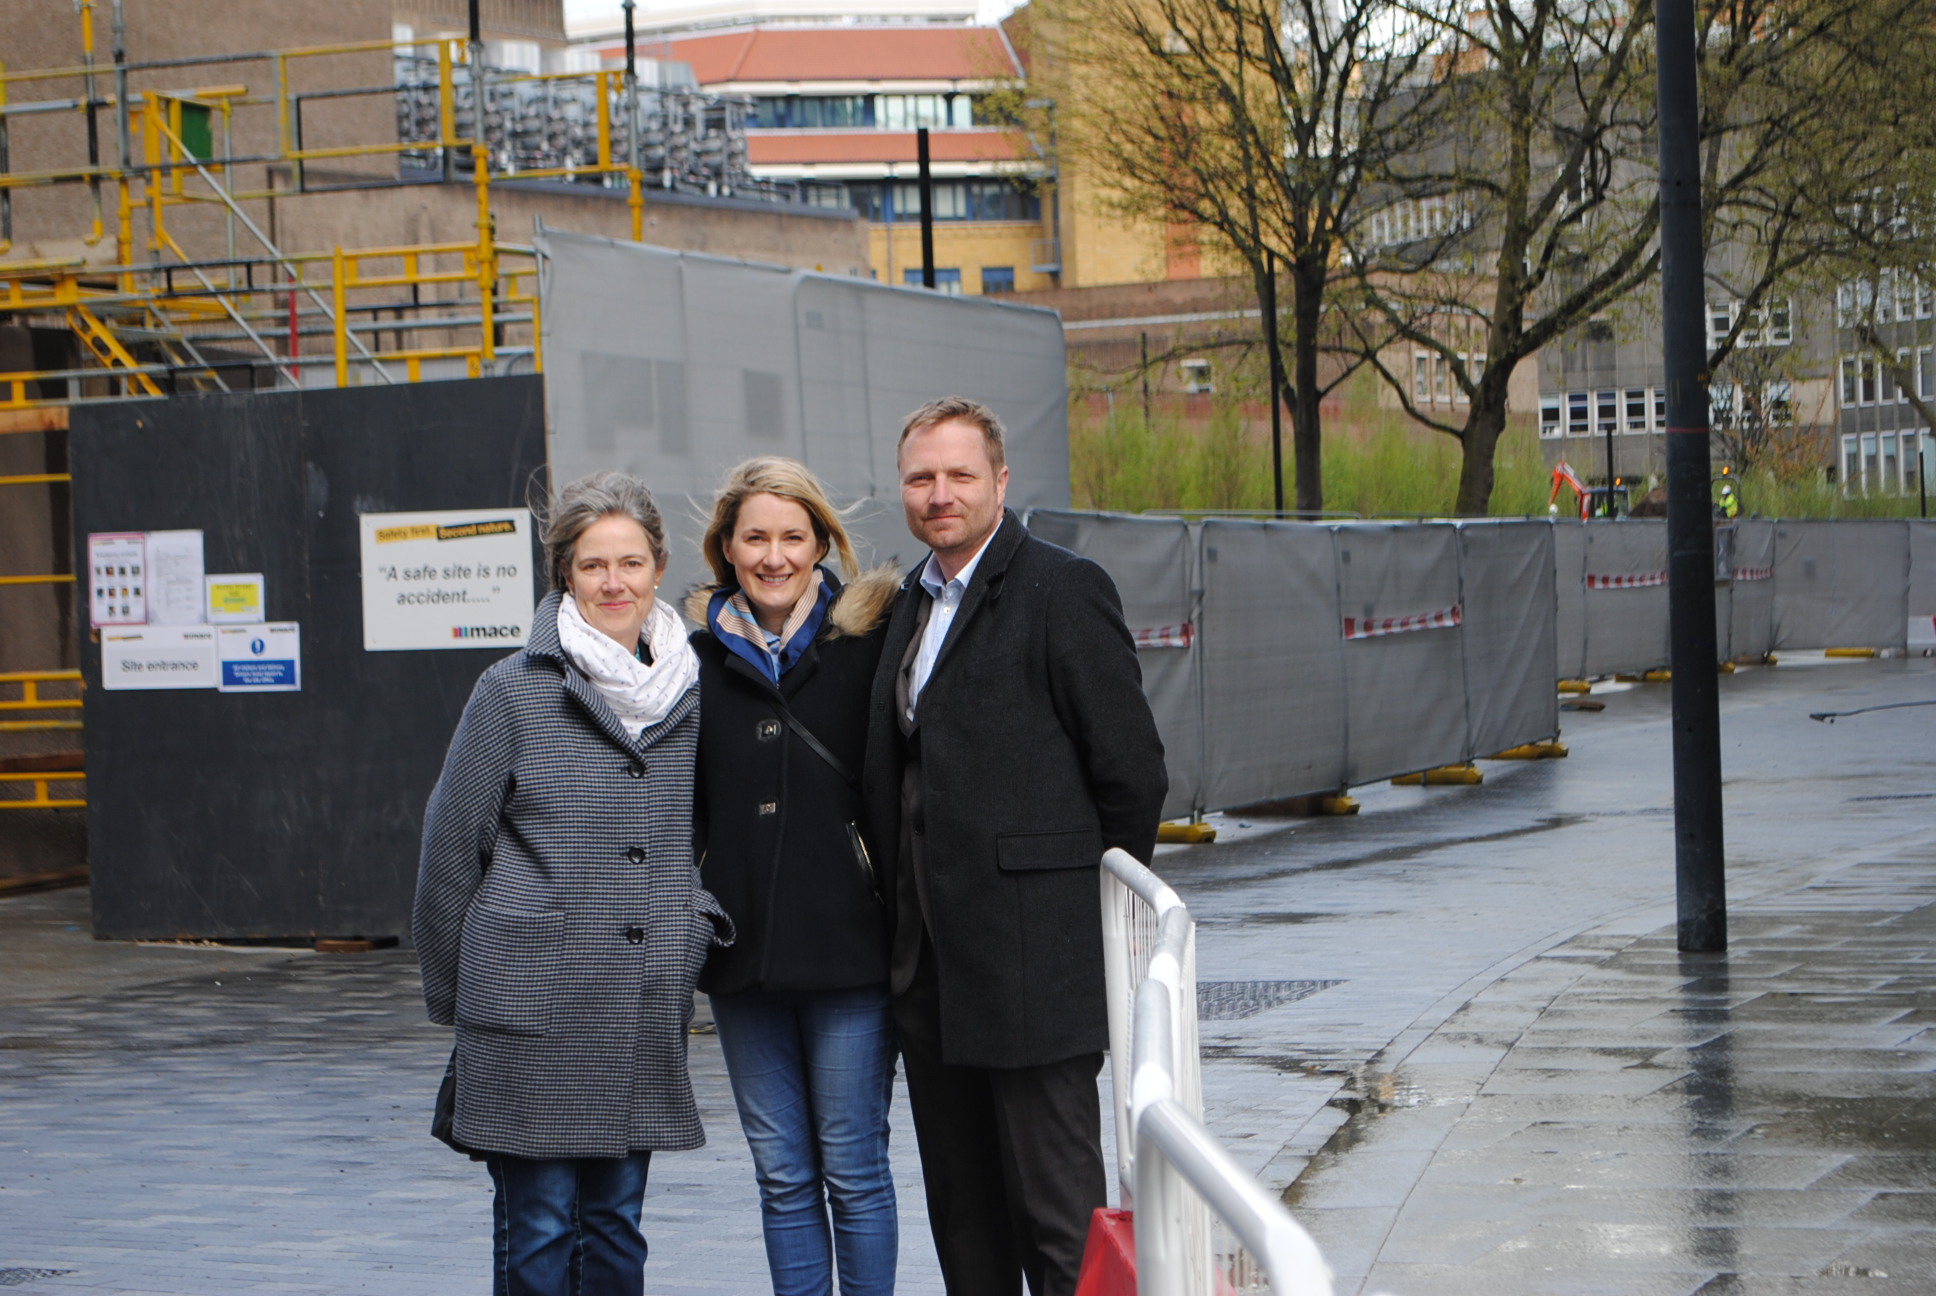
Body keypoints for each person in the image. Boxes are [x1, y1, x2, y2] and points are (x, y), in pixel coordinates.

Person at [861, 397, 1169, 1296]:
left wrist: (1074, 922)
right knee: (968, 1224)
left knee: (1058, 1222)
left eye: (961, 474)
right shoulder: (906, 606)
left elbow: (1133, 775)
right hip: (934, 979)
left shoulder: (1061, 589)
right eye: (922, 477)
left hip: (1037, 976)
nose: (940, 493)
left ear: (1001, 481)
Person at [413, 470, 731, 1296]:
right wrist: (462, 1001)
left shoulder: (695, 693)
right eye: (594, 565)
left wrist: (692, 921)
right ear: (564, 574)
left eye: (630, 561)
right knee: (541, 1232)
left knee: (617, 1233)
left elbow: (715, 831)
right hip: (526, 1008)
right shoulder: (513, 690)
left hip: (636, 1003)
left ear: (658, 567)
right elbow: (452, 849)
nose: (614, 582)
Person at [684, 457, 901, 1296]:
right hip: (742, 958)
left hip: (851, 952)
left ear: (820, 544)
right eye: (754, 538)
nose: (774, 556)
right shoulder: (690, 657)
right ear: (726, 550)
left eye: (792, 536)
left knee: (852, 1168)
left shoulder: (870, 643)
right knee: (780, 1174)